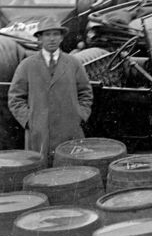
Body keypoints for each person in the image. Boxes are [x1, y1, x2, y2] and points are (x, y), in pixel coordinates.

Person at [7, 18, 93, 160]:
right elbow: (15, 98)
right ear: (40, 38)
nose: (52, 39)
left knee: (69, 172)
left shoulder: (73, 63)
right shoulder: (27, 65)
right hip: (39, 135)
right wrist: (30, 121)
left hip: (69, 130)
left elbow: (85, 93)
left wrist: (79, 115)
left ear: (61, 38)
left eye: (55, 34)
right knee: (40, 173)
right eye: (47, 35)